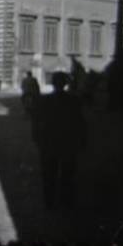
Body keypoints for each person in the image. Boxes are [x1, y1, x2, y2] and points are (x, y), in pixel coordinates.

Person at [32, 71, 86, 209]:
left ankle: (49, 203)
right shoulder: (74, 101)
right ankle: (66, 202)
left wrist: (37, 140)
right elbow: (80, 124)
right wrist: (81, 142)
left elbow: (36, 122)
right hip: (68, 144)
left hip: (49, 144)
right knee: (67, 175)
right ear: (65, 84)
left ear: (53, 83)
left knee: (48, 175)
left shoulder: (43, 101)